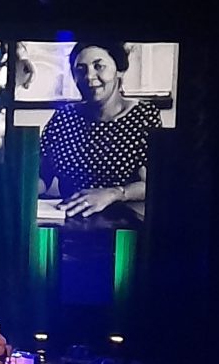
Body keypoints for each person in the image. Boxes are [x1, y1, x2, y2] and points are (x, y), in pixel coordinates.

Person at [39, 41, 161, 226]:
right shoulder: (63, 118)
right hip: (70, 222)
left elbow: (152, 183)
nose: (89, 76)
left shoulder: (144, 116)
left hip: (125, 226)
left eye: (99, 66)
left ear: (119, 70)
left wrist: (115, 193)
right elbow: (42, 176)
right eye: (81, 69)